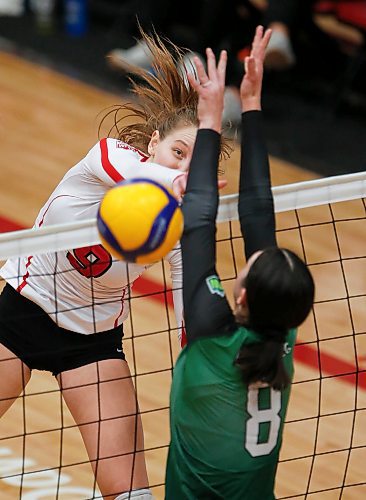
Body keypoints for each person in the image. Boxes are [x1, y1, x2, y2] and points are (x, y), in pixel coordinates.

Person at [0, 32, 230, 500]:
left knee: (130, 495)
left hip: (92, 343)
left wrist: (198, 367)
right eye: (178, 152)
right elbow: (119, 161)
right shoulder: (108, 162)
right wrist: (188, 179)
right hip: (19, 315)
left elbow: (188, 293)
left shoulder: (183, 219)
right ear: (154, 143)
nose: (184, 165)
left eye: (198, 158)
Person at [165, 25, 315, 499]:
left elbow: (198, 219)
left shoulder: (211, 331)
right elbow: (256, 214)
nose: (252, 257)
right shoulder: (282, 330)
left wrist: (211, 119)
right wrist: (249, 104)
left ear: (245, 295)